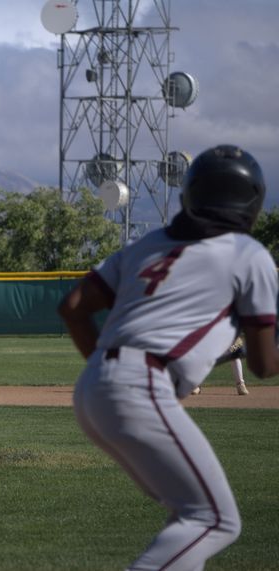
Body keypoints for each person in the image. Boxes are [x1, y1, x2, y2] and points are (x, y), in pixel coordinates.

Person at [58, 145, 279, 570]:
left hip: (95, 385)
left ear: (190, 194)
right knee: (215, 520)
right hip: (140, 383)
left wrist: (107, 374)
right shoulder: (248, 255)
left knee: (190, 516)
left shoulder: (149, 244)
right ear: (253, 200)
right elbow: (264, 364)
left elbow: (73, 307)